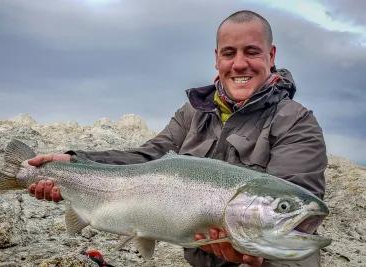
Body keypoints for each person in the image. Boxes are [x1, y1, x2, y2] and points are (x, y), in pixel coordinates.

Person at [28, 10, 327, 267]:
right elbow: (147, 158)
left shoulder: (297, 122)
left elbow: (294, 201)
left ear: (271, 55)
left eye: (251, 52)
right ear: (216, 59)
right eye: (228, 53)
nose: (239, 64)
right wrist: (75, 162)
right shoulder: (193, 113)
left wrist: (255, 254)